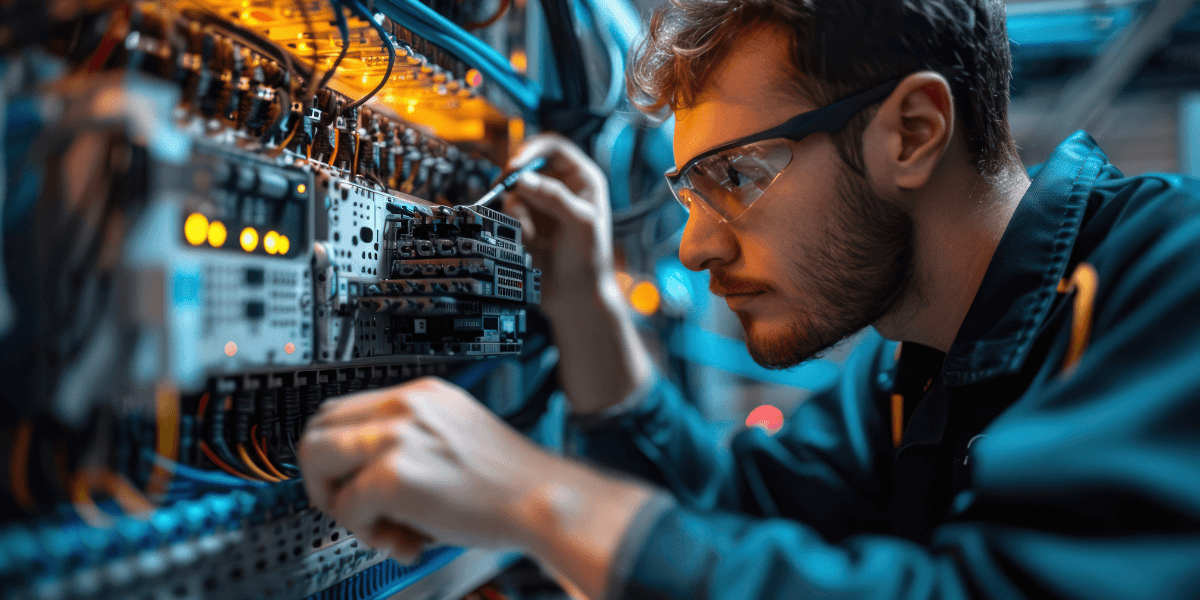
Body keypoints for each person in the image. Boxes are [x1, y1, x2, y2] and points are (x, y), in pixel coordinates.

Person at [298, 0, 1200, 598]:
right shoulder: (910, 371)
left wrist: (539, 499)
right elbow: (723, 514)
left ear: (913, 133)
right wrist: (583, 300)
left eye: (735, 175)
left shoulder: (1170, 274)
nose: (693, 247)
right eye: (690, 191)